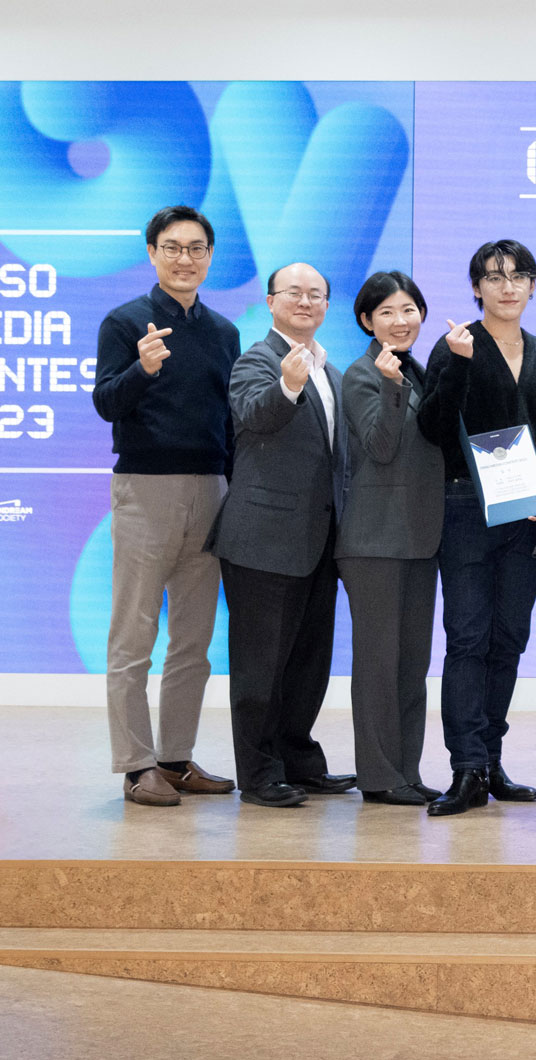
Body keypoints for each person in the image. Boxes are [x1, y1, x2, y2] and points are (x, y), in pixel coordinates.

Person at [90, 205, 240, 806]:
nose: (185, 258)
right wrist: (143, 369)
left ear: (210, 256)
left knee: (193, 641)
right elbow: (106, 402)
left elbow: (229, 421)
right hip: (145, 490)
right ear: (152, 253)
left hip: (211, 490)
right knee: (133, 638)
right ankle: (136, 766)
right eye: (173, 247)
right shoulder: (124, 322)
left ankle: (175, 759)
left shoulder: (224, 332)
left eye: (196, 248)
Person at [416, 240, 536, 817]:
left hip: (527, 515)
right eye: (494, 277)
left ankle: (491, 761)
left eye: (518, 276)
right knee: (468, 639)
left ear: (533, 286)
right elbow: (432, 427)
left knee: (509, 639)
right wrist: (456, 364)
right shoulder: (457, 344)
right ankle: (466, 768)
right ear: (476, 287)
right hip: (466, 510)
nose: (507, 287)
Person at [206, 263, 356, 808]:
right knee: (260, 667)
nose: (306, 301)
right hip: (263, 540)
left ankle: (298, 761)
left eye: (317, 294)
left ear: (327, 306)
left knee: (307, 664)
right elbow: (253, 416)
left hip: (319, 542)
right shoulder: (256, 360)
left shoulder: (332, 371)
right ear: (271, 301)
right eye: (294, 292)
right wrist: (288, 385)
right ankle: (259, 773)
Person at [337, 270, 445, 806]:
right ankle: (379, 776)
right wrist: (391, 386)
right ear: (366, 321)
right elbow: (381, 447)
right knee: (378, 665)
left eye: (408, 310)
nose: (400, 321)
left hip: (419, 537)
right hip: (374, 541)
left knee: (411, 664)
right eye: (386, 313)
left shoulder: (417, 371)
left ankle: (407, 770)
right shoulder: (363, 375)